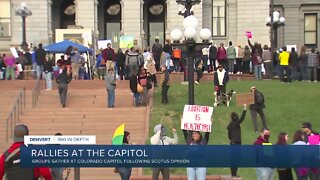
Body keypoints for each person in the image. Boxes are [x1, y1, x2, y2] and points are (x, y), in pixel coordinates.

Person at [227, 104, 247, 178]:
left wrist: (232, 140)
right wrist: (244, 109)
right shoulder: (236, 123)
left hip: (232, 143)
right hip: (237, 144)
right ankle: (234, 175)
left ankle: (233, 174)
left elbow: (229, 135)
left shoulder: (230, 124)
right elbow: (242, 118)